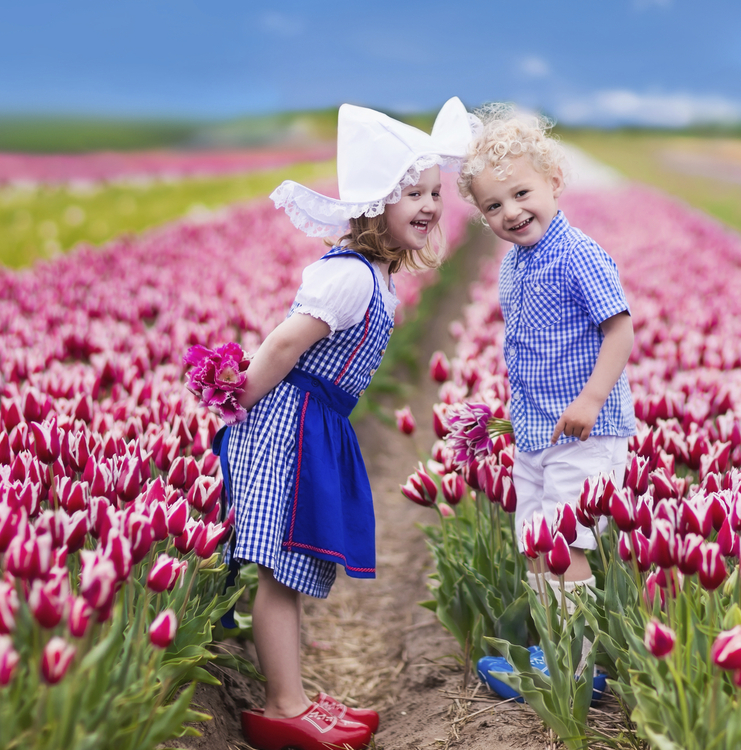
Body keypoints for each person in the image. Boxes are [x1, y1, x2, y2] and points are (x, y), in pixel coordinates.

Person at [215, 98, 476, 750]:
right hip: (285, 422)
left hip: (314, 422)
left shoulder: (376, 277)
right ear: (372, 204)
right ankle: (283, 702)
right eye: (410, 192)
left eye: (433, 192)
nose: (428, 204)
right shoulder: (349, 280)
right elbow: (282, 345)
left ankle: (295, 694)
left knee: (290, 570)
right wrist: (238, 399)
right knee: (279, 569)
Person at [457, 107, 636, 611]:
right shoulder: (514, 263)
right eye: (493, 206)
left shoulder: (578, 253)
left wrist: (591, 400)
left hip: (585, 431)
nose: (510, 212)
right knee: (536, 542)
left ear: (554, 182)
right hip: (536, 431)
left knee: (565, 543)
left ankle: (576, 665)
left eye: (521, 194)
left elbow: (620, 330)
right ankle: (554, 651)